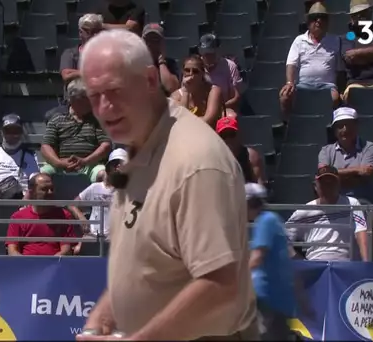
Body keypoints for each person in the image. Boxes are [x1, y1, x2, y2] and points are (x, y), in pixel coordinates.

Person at [77, 29, 257, 341]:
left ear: (149, 80)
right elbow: (149, 263)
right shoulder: (139, 149)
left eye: (114, 91)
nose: (104, 108)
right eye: (94, 96)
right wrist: (104, 313)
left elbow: (221, 284)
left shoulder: (196, 161)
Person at [286, 166, 370, 262]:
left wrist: (366, 263)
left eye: (331, 182)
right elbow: (283, 239)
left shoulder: (352, 204)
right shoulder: (305, 211)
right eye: (323, 183)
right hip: (315, 265)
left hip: (347, 265)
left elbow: (361, 232)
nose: (327, 186)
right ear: (315, 186)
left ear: (338, 184)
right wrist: (300, 262)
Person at [245, 183, 295, 341]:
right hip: (279, 296)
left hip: (267, 296)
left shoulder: (265, 222)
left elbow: (257, 257)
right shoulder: (274, 220)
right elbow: (290, 255)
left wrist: (236, 281)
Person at [40, 78, 112, 182]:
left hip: (90, 166)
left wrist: (85, 161)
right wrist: (59, 163)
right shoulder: (57, 119)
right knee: (40, 177)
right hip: (60, 165)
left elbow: (105, 146)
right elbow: (46, 146)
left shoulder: (97, 120)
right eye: (87, 98)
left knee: (104, 174)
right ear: (74, 100)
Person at [280, 2, 342, 121]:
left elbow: (340, 69)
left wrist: (340, 89)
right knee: (285, 97)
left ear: (327, 22)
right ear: (308, 22)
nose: (318, 21)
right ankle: (289, 126)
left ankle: (329, 126)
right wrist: (289, 82)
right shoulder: (299, 40)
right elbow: (291, 64)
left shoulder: (335, 40)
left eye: (322, 18)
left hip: (327, 86)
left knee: (334, 98)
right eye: (314, 18)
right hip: (303, 85)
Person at [68, 148, 128, 255]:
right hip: (94, 234)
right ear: (108, 167)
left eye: (121, 164)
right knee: (77, 251)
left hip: (116, 236)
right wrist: (81, 218)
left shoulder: (129, 190)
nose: (118, 167)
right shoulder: (95, 187)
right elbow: (72, 205)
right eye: (115, 164)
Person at [6, 173, 77, 256]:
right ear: (32, 192)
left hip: (55, 265)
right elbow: (12, 250)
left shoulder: (64, 216)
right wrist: (26, 264)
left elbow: (66, 250)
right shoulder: (18, 217)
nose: (50, 192)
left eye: (52, 189)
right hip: (26, 265)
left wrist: (50, 264)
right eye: (45, 189)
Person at [318, 107, 373, 203]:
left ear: (356, 126)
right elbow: (324, 173)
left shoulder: (369, 147)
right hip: (333, 202)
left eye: (349, 125)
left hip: (362, 202)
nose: (345, 130)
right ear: (334, 130)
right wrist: (356, 170)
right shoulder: (326, 150)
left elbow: (367, 172)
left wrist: (335, 177)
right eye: (340, 126)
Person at [0, 114, 40, 200]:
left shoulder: (30, 155)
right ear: (1, 133)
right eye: (8, 131)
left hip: (23, 197)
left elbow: (35, 181)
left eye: (16, 131)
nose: (12, 135)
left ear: (21, 133)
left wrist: (26, 200)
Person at [170, 55, 227, 128]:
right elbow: (180, 119)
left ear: (202, 74)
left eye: (195, 71)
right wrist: (186, 91)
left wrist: (187, 124)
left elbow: (208, 119)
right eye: (187, 70)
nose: (191, 74)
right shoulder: (176, 96)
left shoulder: (213, 91)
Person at [198, 33, 243, 112]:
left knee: (232, 116)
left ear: (218, 51)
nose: (208, 56)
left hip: (224, 108)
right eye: (205, 53)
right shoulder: (195, 65)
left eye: (211, 53)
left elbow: (236, 97)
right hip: (200, 108)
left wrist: (217, 109)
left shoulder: (230, 66)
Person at [216, 117, 265, 184]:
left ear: (239, 135)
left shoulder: (251, 156)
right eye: (224, 136)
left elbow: (259, 186)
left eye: (232, 134)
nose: (228, 139)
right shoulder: (214, 159)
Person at [60, 13, 104, 84]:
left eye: (98, 31)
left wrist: (77, 73)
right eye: (91, 32)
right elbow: (67, 76)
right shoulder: (70, 54)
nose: (95, 35)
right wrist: (94, 73)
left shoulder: (106, 54)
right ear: (81, 32)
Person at [142, 23, 180, 95]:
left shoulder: (170, 64)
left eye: (156, 40)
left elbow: (171, 87)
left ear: (162, 43)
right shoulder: (135, 62)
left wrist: (161, 62)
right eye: (148, 40)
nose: (151, 44)